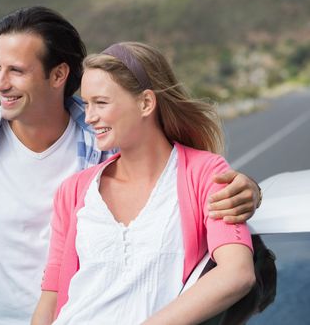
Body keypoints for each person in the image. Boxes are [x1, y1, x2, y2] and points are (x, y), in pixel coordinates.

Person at [0, 7, 261, 324]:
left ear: (58, 74)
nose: (0, 82)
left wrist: (247, 188)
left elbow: (174, 164)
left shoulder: (103, 138)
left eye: (16, 70)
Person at [32, 42, 256, 324]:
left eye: (101, 102)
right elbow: (51, 294)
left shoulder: (206, 174)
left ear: (146, 103)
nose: (89, 117)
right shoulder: (74, 190)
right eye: (87, 104)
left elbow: (237, 274)